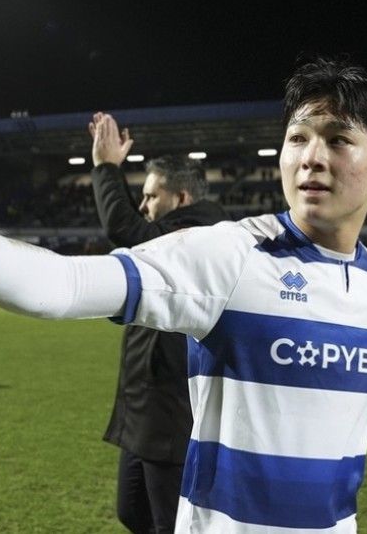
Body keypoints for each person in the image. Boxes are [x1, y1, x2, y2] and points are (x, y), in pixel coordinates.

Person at [0, 52, 367, 533]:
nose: (311, 157)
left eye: (337, 139)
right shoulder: (233, 255)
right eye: (298, 138)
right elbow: (63, 284)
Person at [88, 112, 229, 533]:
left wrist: (106, 167)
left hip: (170, 411)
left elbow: (123, 227)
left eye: (151, 196)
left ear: (181, 198)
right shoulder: (168, 237)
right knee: (134, 512)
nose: (143, 206)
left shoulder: (198, 235)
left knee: (169, 522)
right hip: (144, 408)